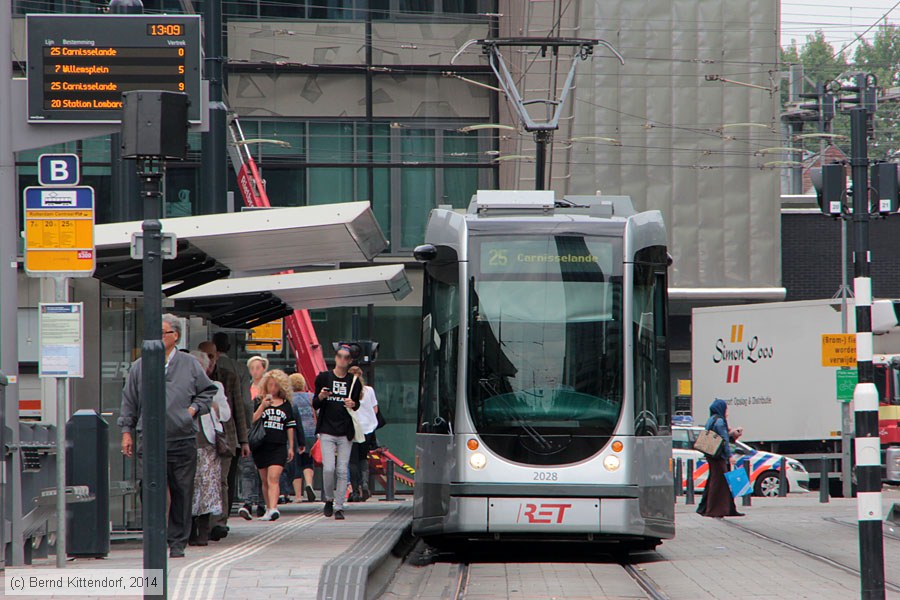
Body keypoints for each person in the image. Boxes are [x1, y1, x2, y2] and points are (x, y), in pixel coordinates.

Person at [118, 314, 216, 559]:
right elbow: (129, 400)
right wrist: (126, 432)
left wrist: (192, 411)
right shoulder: (140, 365)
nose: (159, 337)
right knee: (148, 487)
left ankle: (177, 541)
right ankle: (155, 535)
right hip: (149, 438)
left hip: (181, 437)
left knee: (182, 490)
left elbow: (207, 391)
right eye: (155, 333)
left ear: (176, 336)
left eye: (163, 333)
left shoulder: (190, 363)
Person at [198, 341, 249, 542]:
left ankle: (219, 522)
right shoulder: (192, 379)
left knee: (221, 480)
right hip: (200, 438)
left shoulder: (228, 378)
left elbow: (239, 408)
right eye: (205, 356)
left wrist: (243, 440)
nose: (209, 361)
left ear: (217, 356)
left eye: (211, 356)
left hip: (224, 437)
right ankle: (203, 522)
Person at [313, 345, 361, 520]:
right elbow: (315, 403)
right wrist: (321, 396)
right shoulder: (324, 378)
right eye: (339, 356)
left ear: (349, 361)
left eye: (345, 357)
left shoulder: (353, 381)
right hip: (327, 429)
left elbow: (357, 403)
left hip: (345, 431)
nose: (342, 360)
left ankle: (339, 506)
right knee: (328, 468)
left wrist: (353, 404)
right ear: (335, 358)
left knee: (341, 470)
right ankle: (329, 498)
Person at [188, 351, 228, 546]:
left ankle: (203, 531)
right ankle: (188, 530)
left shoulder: (216, 387)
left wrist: (214, 407)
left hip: (209, 442)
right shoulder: (182, 387)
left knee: (208, 488)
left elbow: (227, 415)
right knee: (189, 487)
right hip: (187, 441)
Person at [251, 369, 296, 521]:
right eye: (270, 385)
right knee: (264, 480)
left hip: (278, 445)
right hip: (261, 444)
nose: (272, 389)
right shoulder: (258, 401)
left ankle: (273, 508)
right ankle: (268, 508)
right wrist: (262, 406)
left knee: (273, 478)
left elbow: (290, 426)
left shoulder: (286, 405)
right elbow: (251, 420)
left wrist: (291, 446)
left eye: (276, 386)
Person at [696, 399, 745, 519]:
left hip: (711, 454)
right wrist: (730, 456)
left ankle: (710, 508)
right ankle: (715, 510)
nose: (727, 412)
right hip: (719, 456)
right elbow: (724, 440)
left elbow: (718, 436)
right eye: (726, 409)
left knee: (715, 481)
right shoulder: (720, 421)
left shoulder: (711, 419)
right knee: (719, 483)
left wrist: (732, 433)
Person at [238, 355, 269, 520]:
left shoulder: (269, 390)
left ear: (264, 369)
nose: (255, 371)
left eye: (258, 367)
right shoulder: (247, 388)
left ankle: (262, 503)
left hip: (264, 434)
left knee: (262, 471)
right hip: (249, 433)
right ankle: (248, 502)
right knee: (248, 468)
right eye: (252, 368)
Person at [347, 366, 379, 502]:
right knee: (363, 458)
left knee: (353, 460)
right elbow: (375, 409)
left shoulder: (347, 392)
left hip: (353, 428)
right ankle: (365, 483)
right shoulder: (369, 390)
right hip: (368, 429)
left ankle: (355, 491)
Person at [288, 373, 317, 503]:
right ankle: (309, 484)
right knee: (308, 462)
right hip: (311, 433)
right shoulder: (311, 397)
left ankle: (298, 496)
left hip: (294, 435)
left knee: (296, 464)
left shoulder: (289, 399)